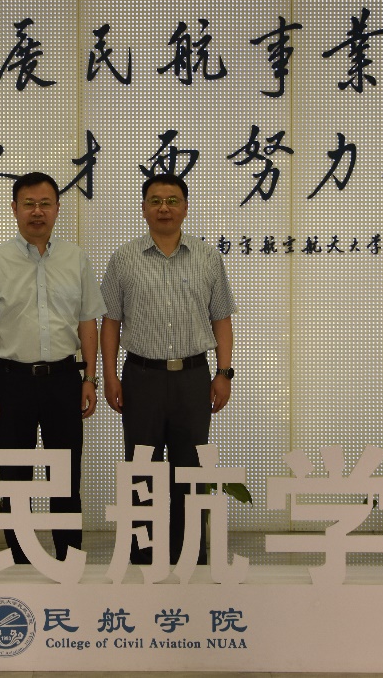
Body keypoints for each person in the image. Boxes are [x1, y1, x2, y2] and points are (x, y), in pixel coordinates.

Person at [0, 171, 105, 563]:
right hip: (12, 382)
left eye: (45, 204)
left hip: (64, 380)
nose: (37, 211)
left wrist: (90, 378)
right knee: (15, 478)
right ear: (14, 209)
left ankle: (68, 558)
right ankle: (22, 561)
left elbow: (88, 323)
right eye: (29, 204)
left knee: (66, 476)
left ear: (57, 209)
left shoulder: (76, 259)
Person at [100, 173, 235, 565]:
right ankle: (143, 554)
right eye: (156, 201)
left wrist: (224, 372)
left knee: (190, 469)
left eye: (172, 200)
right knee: (142, 468)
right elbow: (110, 322)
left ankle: (190, 553)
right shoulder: (124, 258)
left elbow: (222, 320)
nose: (164, 208)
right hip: (141, 377)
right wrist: (109, 376)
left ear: (185, 208)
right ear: (143, 209)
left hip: (193, 378)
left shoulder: (208, 257)